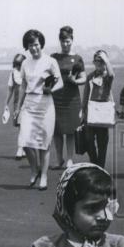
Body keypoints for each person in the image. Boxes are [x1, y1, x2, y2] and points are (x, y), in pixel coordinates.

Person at [16, 29, 63, 190]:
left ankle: (43, 176)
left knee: (44, 142)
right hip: (29, 103)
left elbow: (60, 82)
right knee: (25, 141)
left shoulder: (50, 61)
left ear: (40, 44)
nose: (34, 48)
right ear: (26, 47)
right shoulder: (24, 63)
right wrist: (17, 108)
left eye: (36, 44)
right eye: (30, 45)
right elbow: (23, 86)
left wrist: (52, 89)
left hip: (45, 104)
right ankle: (34, 168)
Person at [51, 25, 86, 168]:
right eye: (63, 41)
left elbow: (83, 78)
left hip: (72, 98)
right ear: (60, 41)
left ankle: (70, 159)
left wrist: (75, 81)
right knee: (57, 130)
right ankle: (59, 159)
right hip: (55, 97)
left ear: (72, 40)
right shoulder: (53, 57)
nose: (65, 44)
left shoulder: (78, 58)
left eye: (68, 41)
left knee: (71, 130)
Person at [81, 49, 115, 168]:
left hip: (103, 113)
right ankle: (94, 163)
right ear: (93, 62)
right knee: (89, 140)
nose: (99, 63)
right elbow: (86, 94)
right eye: (97, 61)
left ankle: (100, 167)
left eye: (102, 61)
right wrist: (82, 110)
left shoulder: (107, 76)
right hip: (90, 112)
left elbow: (111, 75)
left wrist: (107, 60)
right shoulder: (90, 76)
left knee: (102, 142)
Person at [3, 53, 25, 159]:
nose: (18, 66)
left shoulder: (28, 72)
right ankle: (20, 148)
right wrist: (6, 103)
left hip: (29, 102)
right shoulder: (13, 73)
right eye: (16, 64)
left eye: (20, 64)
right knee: (21, 126)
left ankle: (23, 148)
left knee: (27, 127)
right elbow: (10, 89)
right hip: (17, 103)